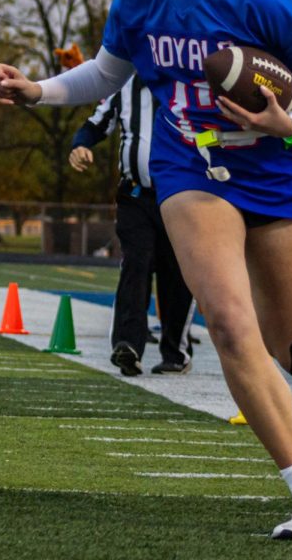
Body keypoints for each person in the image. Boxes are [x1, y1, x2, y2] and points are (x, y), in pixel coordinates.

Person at [0, 0, 292, 540]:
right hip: (190, 165)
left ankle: (273, 321)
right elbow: (105, 73)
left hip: (279, 169)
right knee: (223, 321)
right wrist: (37, 90)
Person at [69, 74, 196, 375]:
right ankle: (127, 344)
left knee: (176, 273)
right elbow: (95, 124)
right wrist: (80, 145)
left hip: (182, 196)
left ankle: (175, 351)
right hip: (136, 194)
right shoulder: (124, 84)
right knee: (136, 264)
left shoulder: (191, 83)